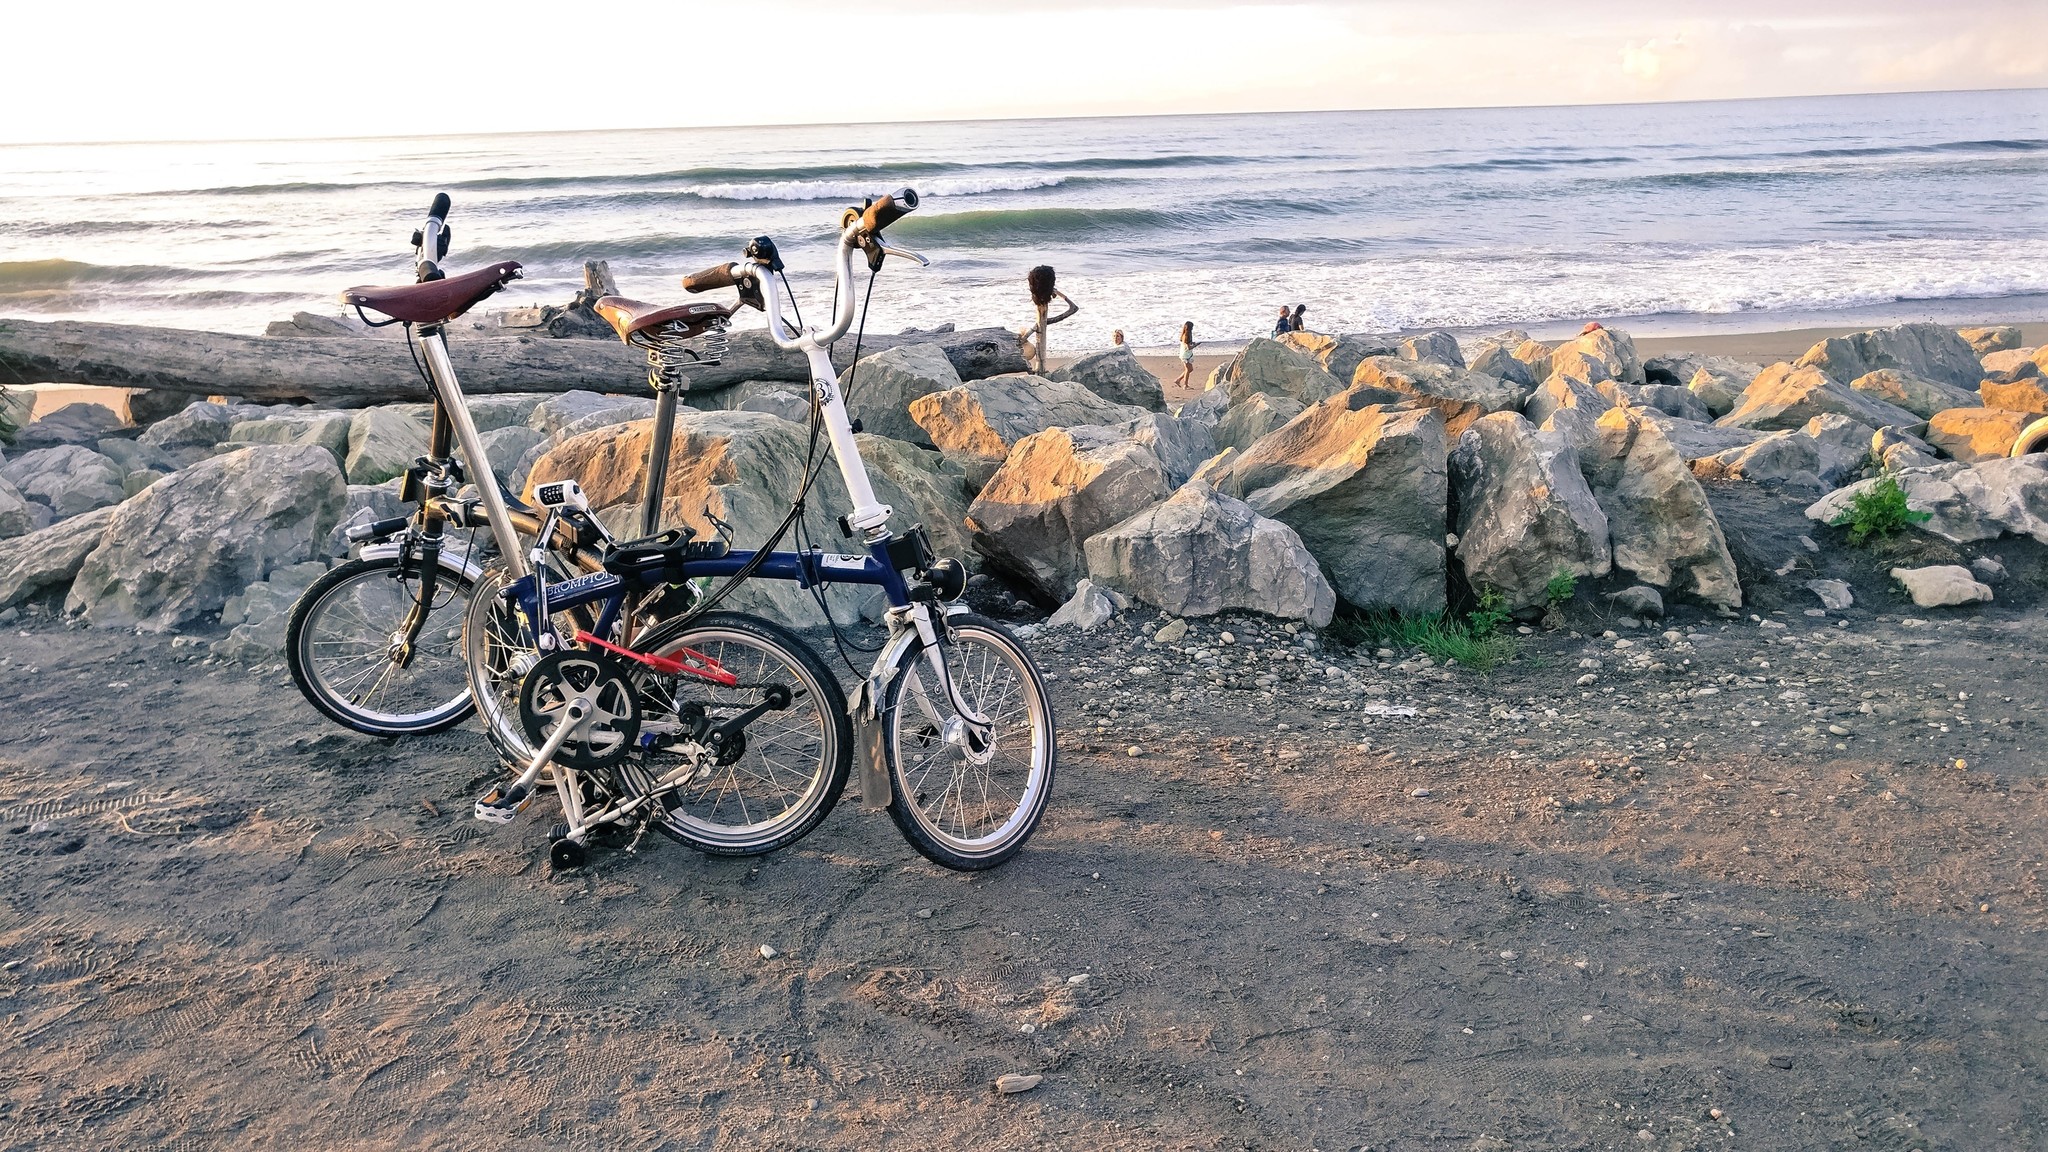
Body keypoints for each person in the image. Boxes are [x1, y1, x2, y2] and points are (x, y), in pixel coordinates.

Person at [1018, 265, 1079, 373]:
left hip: (1039, 357)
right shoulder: (1041, 311)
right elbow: (1073, 308)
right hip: (1041, 328)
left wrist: (1022, 340)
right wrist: (1057, 292)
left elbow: (1073, 308)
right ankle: (1038, 370)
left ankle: (1038, 370)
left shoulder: (1040, 314)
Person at [1175, 320, 1198, 390]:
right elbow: (1189, 347)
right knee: (1188, 369)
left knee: (1189, 369)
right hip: (1186, 355)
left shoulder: (1184, 334)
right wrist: (1195, 345)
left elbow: (1186, 344)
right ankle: (1185, 385)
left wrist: (1192, 343)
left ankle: (1178, 380)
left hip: (1184, 354)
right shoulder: (1187, 336)